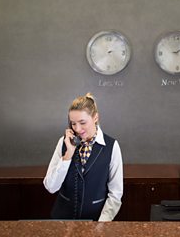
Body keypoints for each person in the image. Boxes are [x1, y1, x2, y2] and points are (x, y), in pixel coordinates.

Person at [43, 93, 123, 221]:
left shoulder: (111, 146)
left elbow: (116, 193)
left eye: (82, 122)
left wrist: (101, 224)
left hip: (96, 222)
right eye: (73, 124)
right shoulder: (63, 143)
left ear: (95, 117)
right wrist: (68, 154)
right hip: (63, 221)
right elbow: (51, 187)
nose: (78, 129)